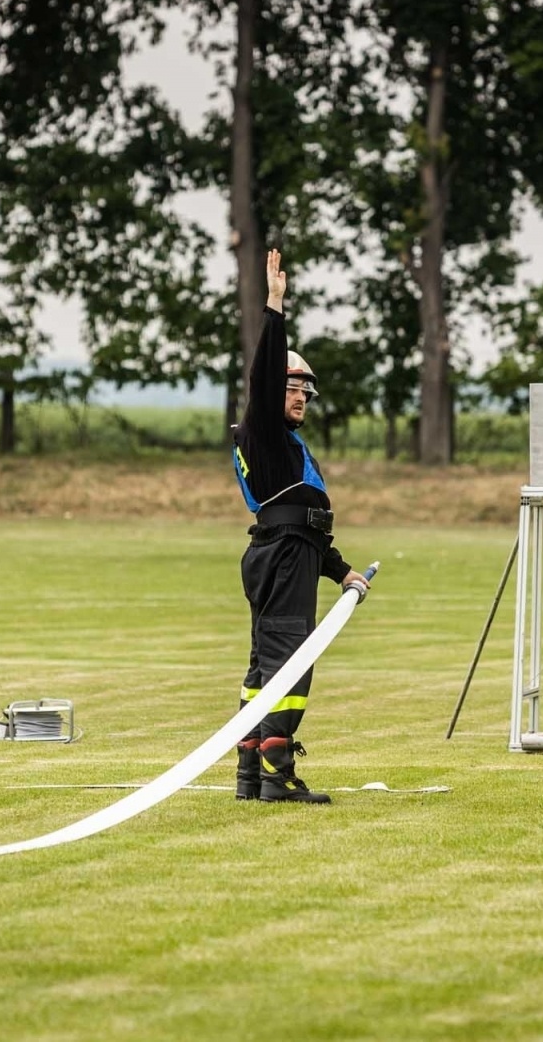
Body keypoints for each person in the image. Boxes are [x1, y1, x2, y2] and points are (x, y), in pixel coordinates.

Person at [230, 248, 371, 804]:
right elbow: (264, 377)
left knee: (265, 666)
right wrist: (274, 306)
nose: (301, 399)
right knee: (291, 663)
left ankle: (249, 770)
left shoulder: (287, 447)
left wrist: (341, 572)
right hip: (283, 557)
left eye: (306, 393)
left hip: (289, 552)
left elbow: (307, 522)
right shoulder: (263, 429)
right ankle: (276, 771)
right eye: (294, 388)